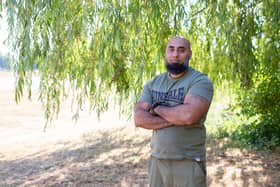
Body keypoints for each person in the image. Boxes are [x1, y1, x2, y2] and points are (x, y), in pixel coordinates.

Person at [134, 36, 214, 187]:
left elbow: (188, 116)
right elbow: (139, 119)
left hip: (188, 162)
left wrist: (155, 108)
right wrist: (175, 117)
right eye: (171, 49)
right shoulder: (153, 83)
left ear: (189, 54)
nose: (175, 54)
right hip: (158, 160)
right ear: (165, 53)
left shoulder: (200, 81)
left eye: (181, 50)